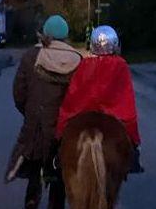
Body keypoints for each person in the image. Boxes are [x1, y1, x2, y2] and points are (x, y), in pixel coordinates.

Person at [5, 15, 82, 209]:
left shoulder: (31, 56)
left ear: (45, 33)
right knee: (59, 167)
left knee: (36, 166)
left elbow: (19, 92)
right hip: (63, 125)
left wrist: (29, 113)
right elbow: (79, 95)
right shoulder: (76, 60)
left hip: (37, 123)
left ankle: (30, 207)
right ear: (65, 35)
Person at [56, 25, 143, 173]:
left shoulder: (85, 64)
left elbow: (75, 93)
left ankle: (56, 156)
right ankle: (133, 157)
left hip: (86, 112)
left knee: (64, 128)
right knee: (129, 124)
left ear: (93, 45)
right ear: (115, 44)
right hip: (113, 114)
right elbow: (125, 96)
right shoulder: (120, 65)